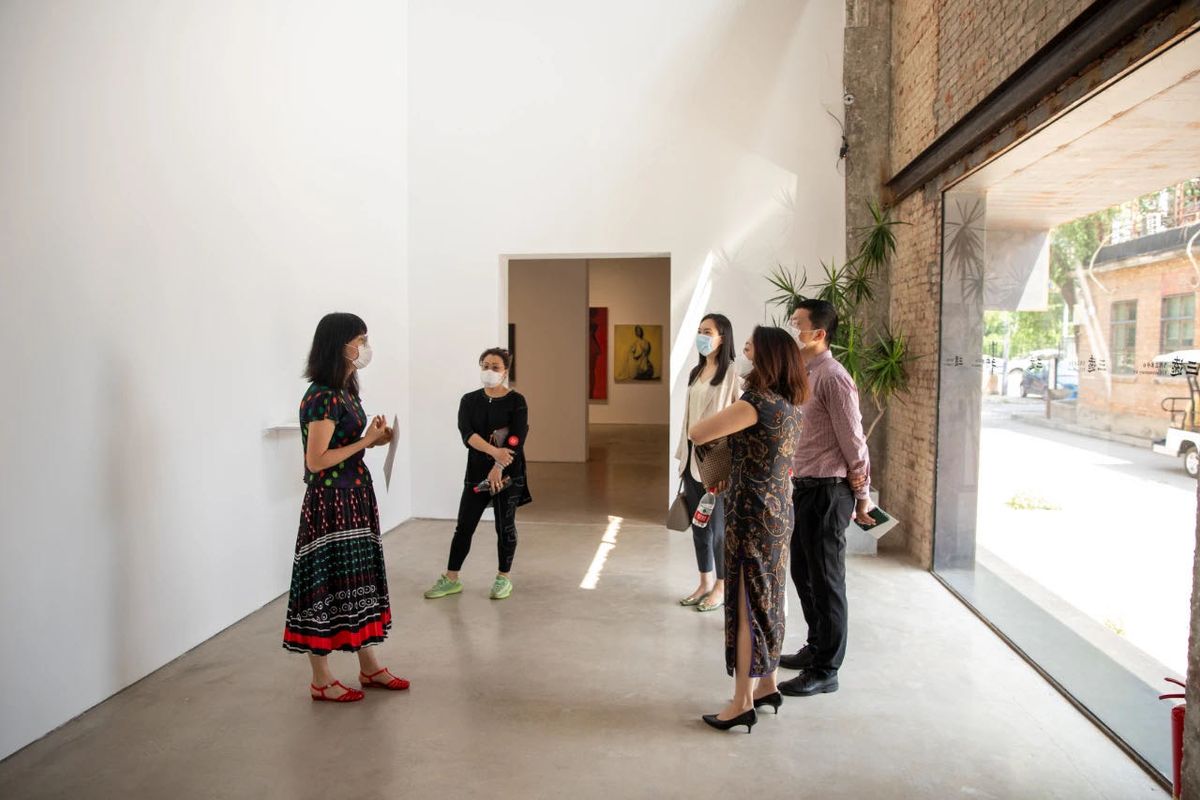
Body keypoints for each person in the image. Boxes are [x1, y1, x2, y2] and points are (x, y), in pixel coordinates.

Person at [283, 313, 408, 703]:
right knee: (327, 585)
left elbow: (345, 443)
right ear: (339, 345)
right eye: (360, 339)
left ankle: (368, 666)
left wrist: (374, 439)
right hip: (330, 504)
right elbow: (317, 459)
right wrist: (364, 441)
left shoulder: (345, 391)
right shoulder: (321, 395)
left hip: (353, 498)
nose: (364, 347)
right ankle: (321, 679)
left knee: (357, 583)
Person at [689, 326, 807, 732]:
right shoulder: (789, 405)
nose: (746, 348)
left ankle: (741, 702)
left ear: (767, 355)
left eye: (752, 344)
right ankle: (767, 684)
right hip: (777, 513)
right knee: (768, 600)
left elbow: (698, 432)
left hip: (750, 516)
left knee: (744, 607)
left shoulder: (755, 402)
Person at [778, 299, 875, 698]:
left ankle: (826, 669)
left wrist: (863, 495)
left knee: (827, 580)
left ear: (818, 334)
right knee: (803, 573)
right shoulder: (805, 373)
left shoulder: (834, 377)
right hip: (804, 487)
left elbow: (855, 442)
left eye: (797, 323)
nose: (791, 328)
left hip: (829, 492)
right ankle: (815, 646)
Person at [424, 348, 531, 600]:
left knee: (505, 527)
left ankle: (503, 578)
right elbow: (467, 434)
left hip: (507, 476)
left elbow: (516, 439)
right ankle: (451, 578)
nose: (489, 371)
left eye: (495, 367)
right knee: (464, 527)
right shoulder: (469, 400)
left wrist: (498, 467)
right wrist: (494, 453)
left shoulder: (517, 401)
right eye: (485, 366)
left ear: (505, 372)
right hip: (476, 472)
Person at [674, 314, 740, 613]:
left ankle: (722, 586)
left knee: (718, 527)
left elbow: (740, 421)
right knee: (699, 525)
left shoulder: (733, 375)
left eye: (708, 331)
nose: (702, 336)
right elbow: (688, 418)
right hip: (691, 458)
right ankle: (703, 581)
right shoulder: (695, 372)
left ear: (722, 337)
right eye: (699, 331)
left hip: (716, 460)